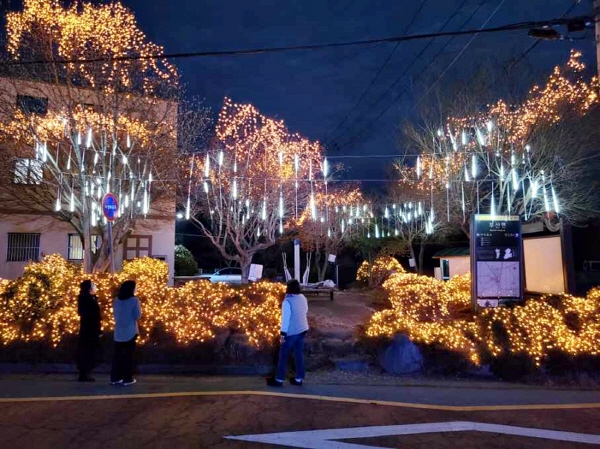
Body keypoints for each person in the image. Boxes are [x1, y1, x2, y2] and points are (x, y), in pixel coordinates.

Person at [267, 279, 309, 387]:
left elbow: (285, 320)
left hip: (292, 332)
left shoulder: (287, 302)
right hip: (303, 329)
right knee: (298, 354)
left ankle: (279, 379)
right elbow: (305, 311)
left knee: (283, 355)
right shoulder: (303, 298)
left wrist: (282, 334)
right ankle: (299, 379)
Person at [111, 280, 141, 386]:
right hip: (130, 331)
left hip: (118, 331)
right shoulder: (134, 300)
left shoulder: (116, 300)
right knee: (128, 356)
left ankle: (115, 378)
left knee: (117, 356)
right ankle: (127, 378)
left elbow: (114, 314)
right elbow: (138, 315)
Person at [76, 280, 101, 382]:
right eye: (93, 285)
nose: (95, 286)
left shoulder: (85, 298)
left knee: (87, 349)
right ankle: (84, 372)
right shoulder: (87, 299)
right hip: (90, 328)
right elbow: (92, 314)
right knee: (88, 349)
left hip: (87, 327)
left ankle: (85, 372)